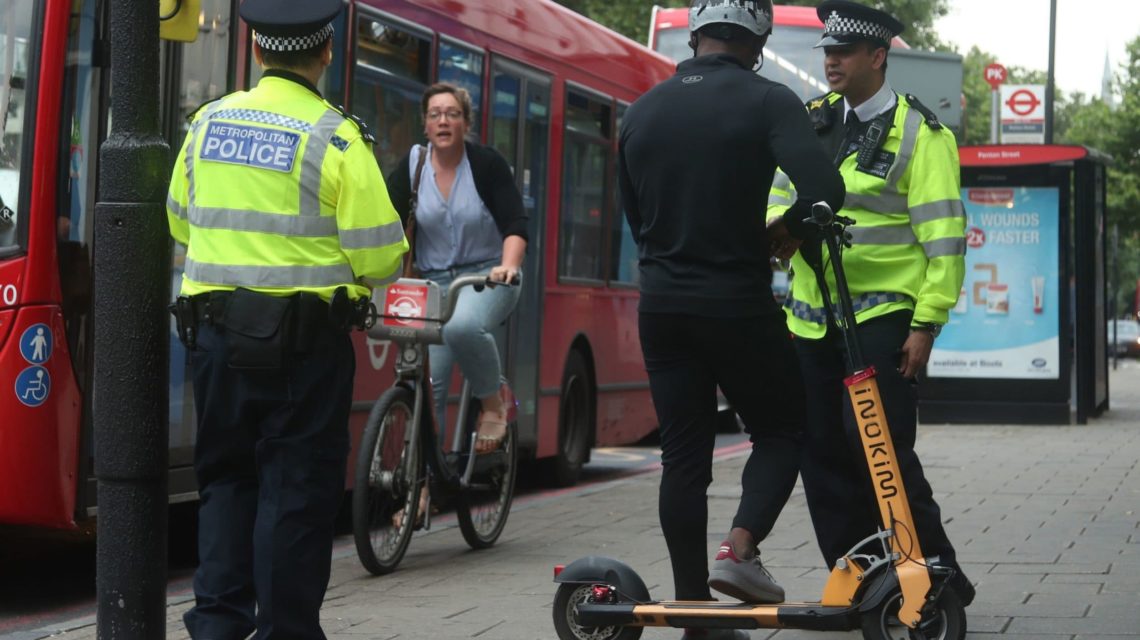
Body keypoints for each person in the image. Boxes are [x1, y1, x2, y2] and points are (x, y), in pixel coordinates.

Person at [165, 0, 408, 637]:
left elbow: (178, 219)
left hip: (214, 337)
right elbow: (381, 255)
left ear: (255, 51)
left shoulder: (207, 124)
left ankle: (217, 625)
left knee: (224, 481)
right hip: (304, 349)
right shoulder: (336, 136)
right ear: (325, 51)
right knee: (294, 493)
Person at [618, 0, 845, 633]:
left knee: (681, 459)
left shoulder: (641, 112)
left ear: (694, 36)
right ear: (758, 40)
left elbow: (634, 218)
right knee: (782, 427)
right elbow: (827, 189)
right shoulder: (769, 101)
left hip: (662, 305)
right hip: (737, 302)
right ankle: (741, 548)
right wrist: (790, 229)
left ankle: (695, 611)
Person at [766, 0, 974, 607]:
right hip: (811, 320)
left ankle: (937, 577)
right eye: (827, 51)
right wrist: (779, 227)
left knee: (882, 451)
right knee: (822, 452)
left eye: (844, 52)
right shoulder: (807, 122)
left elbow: (944, 239)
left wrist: (928, 323)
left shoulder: (922, 134)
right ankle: (863, 580)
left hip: (884, 319)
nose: (831, 60)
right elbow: (775, 197)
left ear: (877, 57)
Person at [385, 82, 528, 455]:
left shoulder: (486, 164)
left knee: (464, 326)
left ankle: (493, 404)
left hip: (484, 279)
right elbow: (386, 222)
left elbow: (515, 224)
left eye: (452, 114)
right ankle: (423, 488)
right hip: (431, 287)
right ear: (425, 124)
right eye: (435, 115)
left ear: (466, 123)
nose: (443, 121)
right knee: (425, 383)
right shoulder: (413, 166)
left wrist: (507, 266)